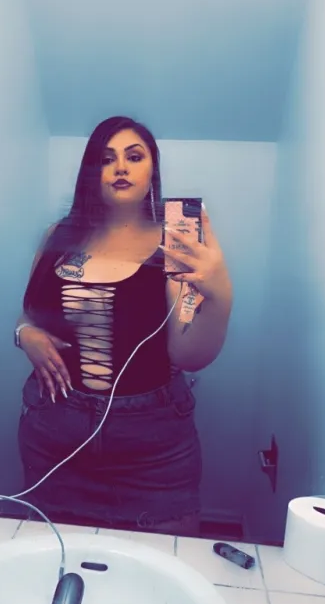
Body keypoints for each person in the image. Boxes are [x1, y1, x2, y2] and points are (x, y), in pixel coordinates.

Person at [16, 116, 232, 535]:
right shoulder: (57, 235)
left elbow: (189, 355)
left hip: (151, 446)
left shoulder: (176, 243)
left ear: (152, 170)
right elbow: (31, 313)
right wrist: (24, 335)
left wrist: (220, 294)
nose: (120, 167)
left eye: (134, 157)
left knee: (164, 562)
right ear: (90, 172)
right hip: (55, 429)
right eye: (106, 158)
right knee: (54, 554)